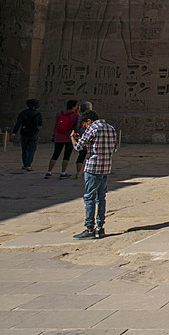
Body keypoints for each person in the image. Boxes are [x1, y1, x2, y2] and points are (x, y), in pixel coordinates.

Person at [70, 110, 119, 240]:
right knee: (101, 198)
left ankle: (89, 228)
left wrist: (73, 138)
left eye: (84, 124)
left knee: (89, 198)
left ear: (89, 121)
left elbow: (79, 147)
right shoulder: (111, 128)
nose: (84, 127)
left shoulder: (93, 128)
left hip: (93, 167)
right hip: (105, 167)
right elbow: (114, 148)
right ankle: (100, 227)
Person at [46, 99, 79, 179]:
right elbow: (77, 126)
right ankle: (63, 172)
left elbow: (55, 124)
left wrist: (54, 134)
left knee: (55, 154)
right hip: (69, 137)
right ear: (74, 106)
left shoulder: (59, 113)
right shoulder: (75, 116)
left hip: (58, 136)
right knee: (66, 156)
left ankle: (49, 172)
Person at [12, 98, 42, 171]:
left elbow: (18, 123)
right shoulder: (38, 114)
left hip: (24, 132)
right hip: (33, 132)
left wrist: (14, 132)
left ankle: (25, 164)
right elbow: (40, 123)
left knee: (24, 149)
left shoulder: (23, 113)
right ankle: (28, 164)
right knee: (31, 149)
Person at [72, 101, 93, 178]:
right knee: (90, 155)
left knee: (81, 155)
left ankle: (78, 172)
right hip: (89, 136)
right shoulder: (91, 116)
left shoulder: (79, 116)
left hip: (81, 136)